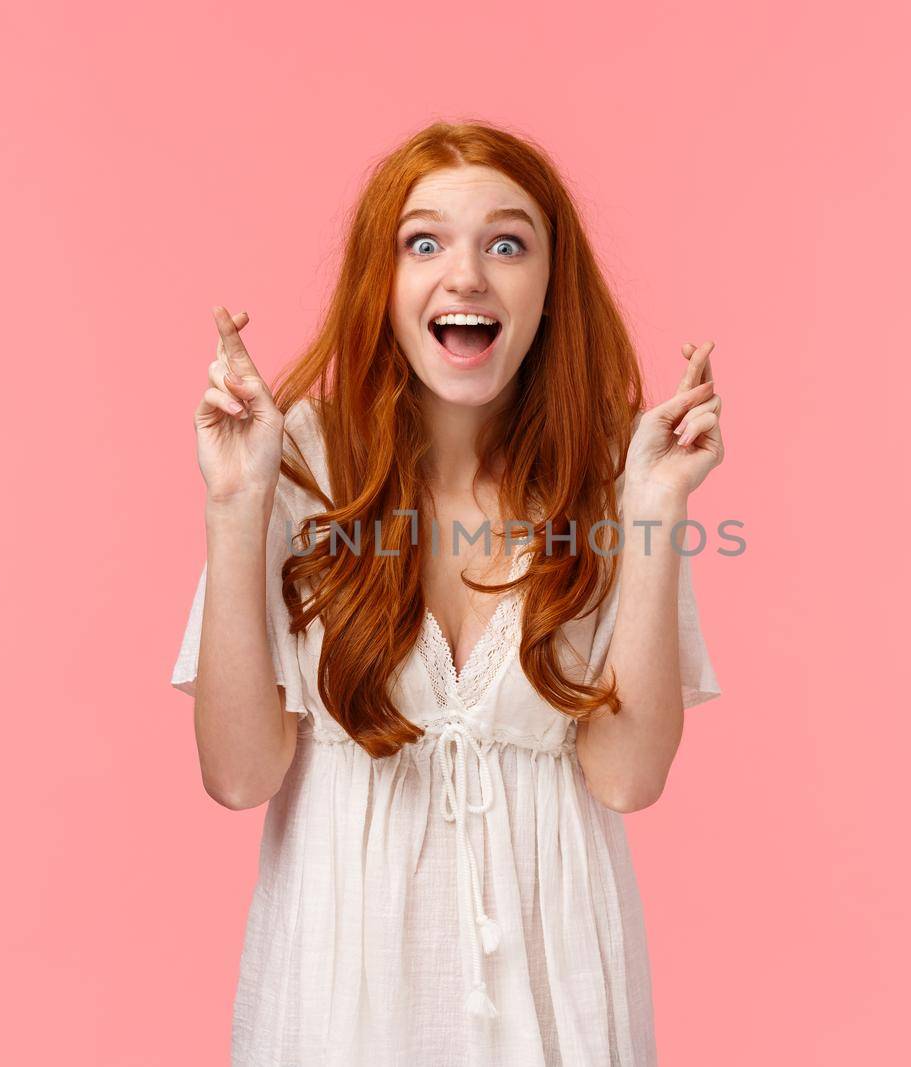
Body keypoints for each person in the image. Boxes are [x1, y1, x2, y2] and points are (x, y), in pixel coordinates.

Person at [171, 119, 725, 1067]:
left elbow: (629, 777)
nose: (465, 275)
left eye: (506, 243)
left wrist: (655, 509)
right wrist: (236, 504)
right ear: (381, 287)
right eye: (423, 242)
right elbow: (238, 775)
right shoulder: (297, 461)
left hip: (558, 991)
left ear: (550, 290)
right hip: (343, 986)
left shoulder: (610, 477)